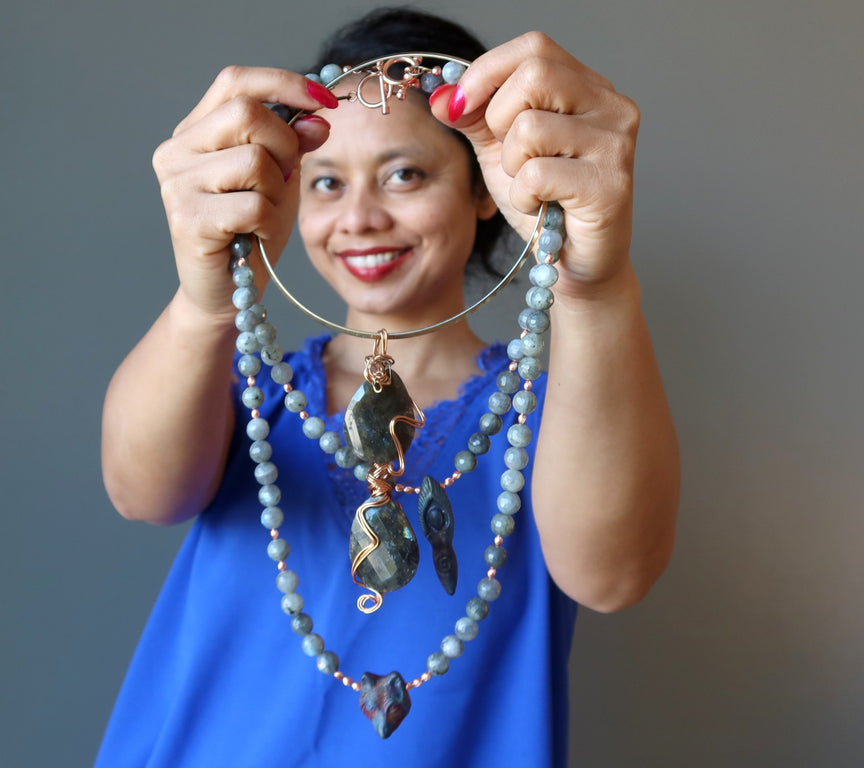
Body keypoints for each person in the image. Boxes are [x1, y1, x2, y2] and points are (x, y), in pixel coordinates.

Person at [96, 7, 680, 766]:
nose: (361, 218)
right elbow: (142, 493)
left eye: (405, 174)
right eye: (328, 182)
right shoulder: (248, 381)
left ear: (483, 185)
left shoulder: (559, 407)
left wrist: (594, 288)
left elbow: (614, 576)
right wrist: (209, 295)